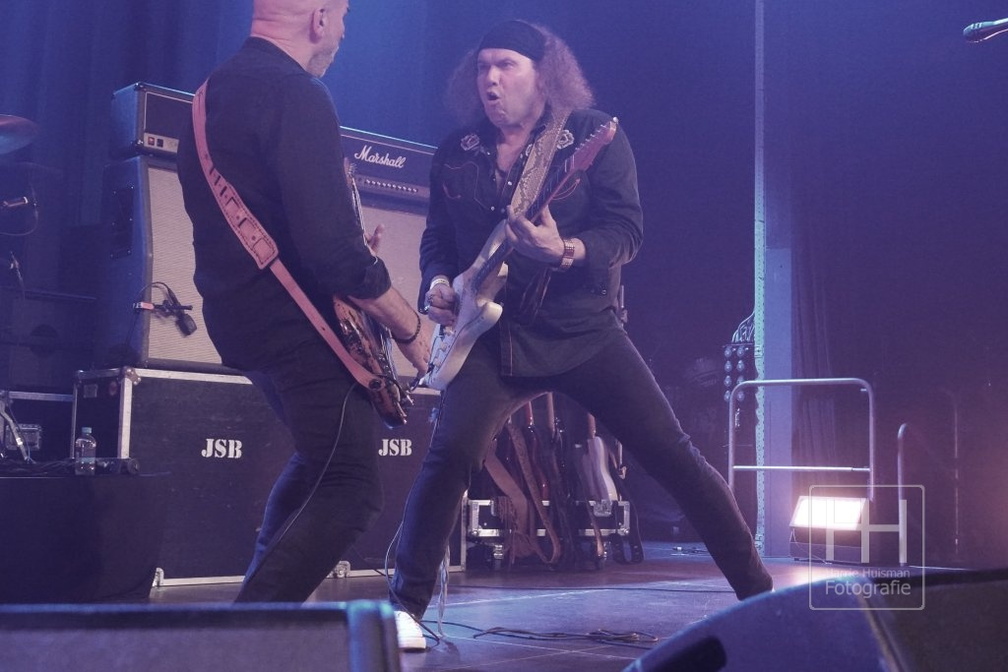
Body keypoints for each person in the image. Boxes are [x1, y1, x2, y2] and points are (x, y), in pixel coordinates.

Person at [389, 19, 773, 649]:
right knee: (450, 456)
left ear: (543, 75)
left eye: (506, 65)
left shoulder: (592, 136)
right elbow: (438, 237)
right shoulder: (457, 152)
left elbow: (626, 232)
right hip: (490, 338)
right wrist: (435, 280)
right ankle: (404, 607)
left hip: (583, 331)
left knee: (674, 458)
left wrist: (564, 249)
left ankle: (760, 598)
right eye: (483, 67)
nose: (490, 79)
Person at [175, 0, 430, 610]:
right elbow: (335, 257)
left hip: (243, 325)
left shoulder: (207, 97)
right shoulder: (298, 94)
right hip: (300, 330)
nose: (341, 33)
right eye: (343, 18)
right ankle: (247, 637)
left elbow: (262, 220)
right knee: (351, 489)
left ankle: (264, 618)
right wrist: (410, 327)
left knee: (322, 464)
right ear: (319, 18)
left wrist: (338, 246)